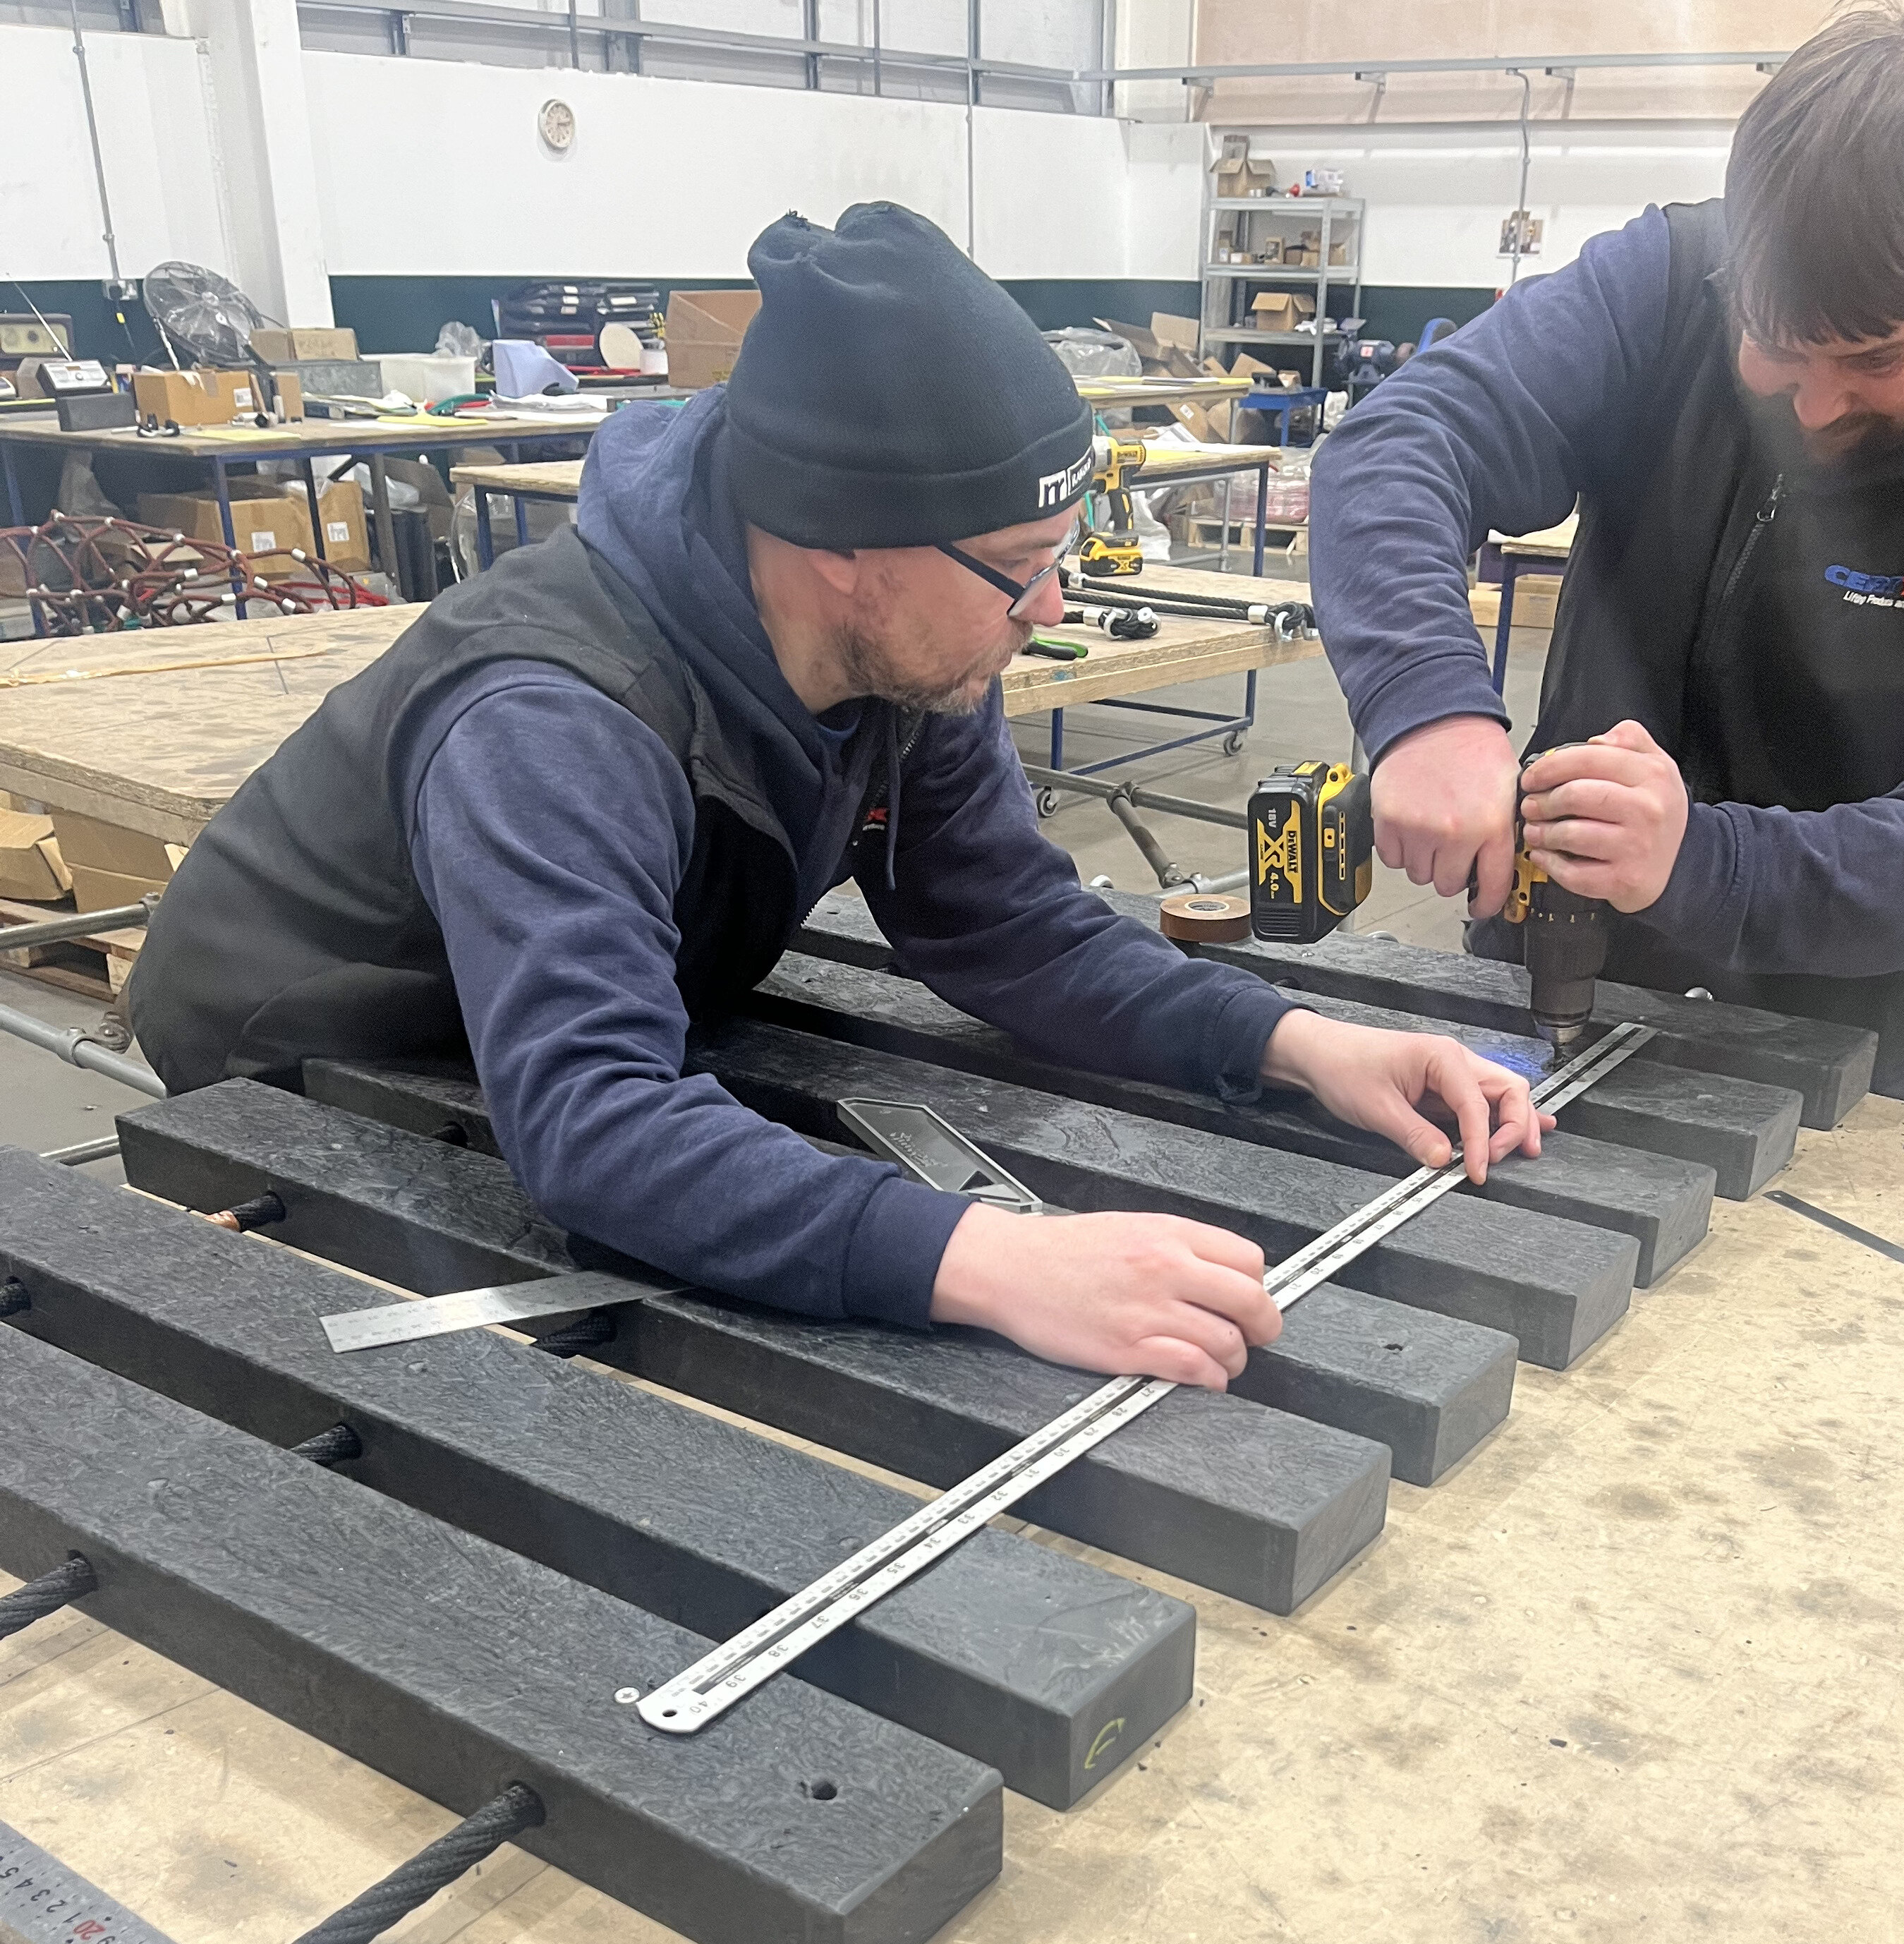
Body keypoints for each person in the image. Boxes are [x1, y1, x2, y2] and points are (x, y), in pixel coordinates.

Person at [128, 205, 1546, 1394]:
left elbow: (1011, 928)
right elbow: (595, 1125)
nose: (1049, 611)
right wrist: (990, 1260)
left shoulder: (909, 656)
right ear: (843, 552)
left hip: (553, 1026)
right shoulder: (553, 720)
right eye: (1019, 566)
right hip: (308, 1063)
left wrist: (1301, 1044)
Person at [1311, 4, 1904, 1107]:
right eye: (1777, 348)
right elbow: (1402, 442)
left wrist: (1704, 864)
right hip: (1547, 986)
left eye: (1878, 357)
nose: (1818, 406)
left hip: (1845, 1058)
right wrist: (1430, 710)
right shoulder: (1669, 277)